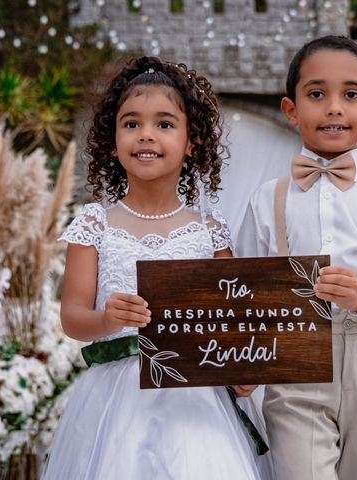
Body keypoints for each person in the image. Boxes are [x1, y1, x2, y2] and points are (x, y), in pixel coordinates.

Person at [42, 56, 272, 480]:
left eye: (164, 124)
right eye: (131, 124)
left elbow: (233, 317)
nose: (146, 134)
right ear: (112, 142)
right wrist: (107, 318)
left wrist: (242, 370)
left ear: (192, 142)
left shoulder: (210, 231)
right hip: (115, 400)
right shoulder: (95, 224)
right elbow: (73, 318)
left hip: (197, 403)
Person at [237, 35, 357, 480]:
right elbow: (246, 290)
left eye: (349, 95)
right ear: (291, 110)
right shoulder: (267, 200)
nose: (333, 108)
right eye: (316, 94)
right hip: (295, 361)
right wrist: (245, 361)